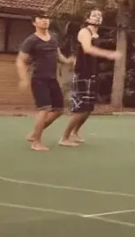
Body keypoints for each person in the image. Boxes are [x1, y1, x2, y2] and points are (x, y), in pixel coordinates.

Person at [59, 9, 121, 146]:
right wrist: (109, 54)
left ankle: (75, 133)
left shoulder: (96, 35)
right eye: (94, 15)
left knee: (88, 109)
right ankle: (64, 137)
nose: (97, 17)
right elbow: (87, 49)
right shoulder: (84, 32)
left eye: (99, 15)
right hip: (83, 74)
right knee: (81, 109)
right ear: (87, 19)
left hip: (92, 74)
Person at [17, 13, 75, 152]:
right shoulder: (31, 40)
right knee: (44, 109)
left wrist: (68, 61)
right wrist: (23, 78)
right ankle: (36, 142)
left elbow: (58, 56)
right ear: (34, 23)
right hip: (39, 79)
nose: (45, 20)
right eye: (41, 18)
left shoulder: (53, 38)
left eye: (46, 18)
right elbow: (21, 60)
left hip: (52, 79)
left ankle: (34, 133)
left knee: (58, 110)